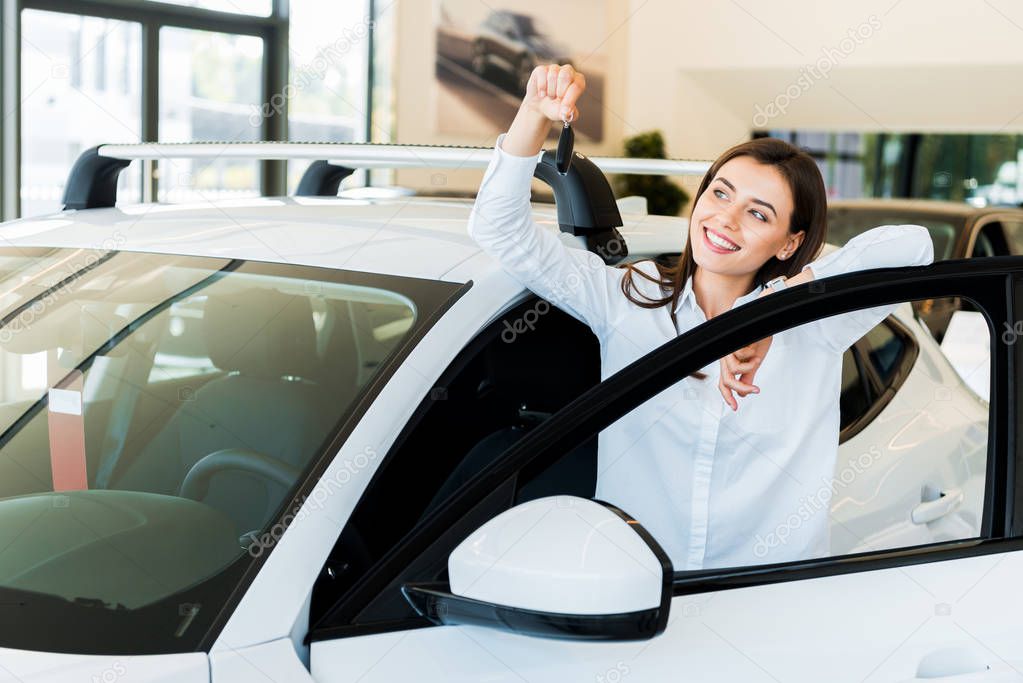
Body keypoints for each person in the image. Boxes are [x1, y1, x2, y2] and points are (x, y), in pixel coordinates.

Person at [467, 63, 934, 571]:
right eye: (720, 193)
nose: (726, 219)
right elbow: (500, 231)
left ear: (790, 243)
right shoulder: (628, 296)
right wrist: (534, 113)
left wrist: (775, 312)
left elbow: (912, 247)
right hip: (639, 591)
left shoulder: (819, 324)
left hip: (765, 602)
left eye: (759, 213)